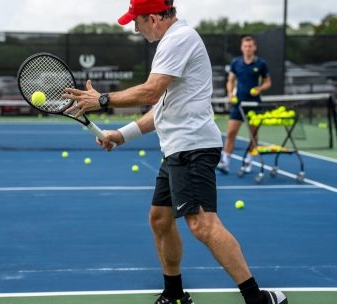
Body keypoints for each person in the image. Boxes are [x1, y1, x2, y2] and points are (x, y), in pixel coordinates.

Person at [63, 1, 286, 304]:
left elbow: (150, 92)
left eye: (136, 21)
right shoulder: (172, 43)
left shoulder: (179, 39)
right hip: (177, 149)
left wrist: (102, 100)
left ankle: (256, 299)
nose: (134, 27)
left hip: (192, 147)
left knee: (202, 224)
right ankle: (174, 295)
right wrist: (121, 135)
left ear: (153, 18)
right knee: (159, 218)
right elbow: (162, 108)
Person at [217, 35, 272, 174]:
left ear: (254, 47)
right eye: (245, 46)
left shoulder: (261, 64)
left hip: (254, 104)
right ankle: (225, 162)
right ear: (242, 48)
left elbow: (268, 82)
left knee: (253, 135)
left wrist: (259, 89)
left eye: (250, 46)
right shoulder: (236, 63)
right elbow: (230, 80)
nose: (248, 48)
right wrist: (230, 93)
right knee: (231, 133)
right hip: (238, 104)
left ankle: (248, 161)